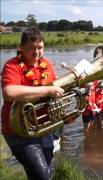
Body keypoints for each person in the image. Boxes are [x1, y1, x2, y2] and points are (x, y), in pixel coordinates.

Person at [1, 27, 64, 179]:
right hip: (18, 131)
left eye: (40, 47)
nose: (36, 51)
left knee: (43, 172)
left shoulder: (47, 64)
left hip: (44, 127)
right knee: (42, 176)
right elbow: (9, 92)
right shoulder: (12, 66)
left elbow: (55, 88)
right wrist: (46, 91)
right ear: (21, 48)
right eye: (32, 48)